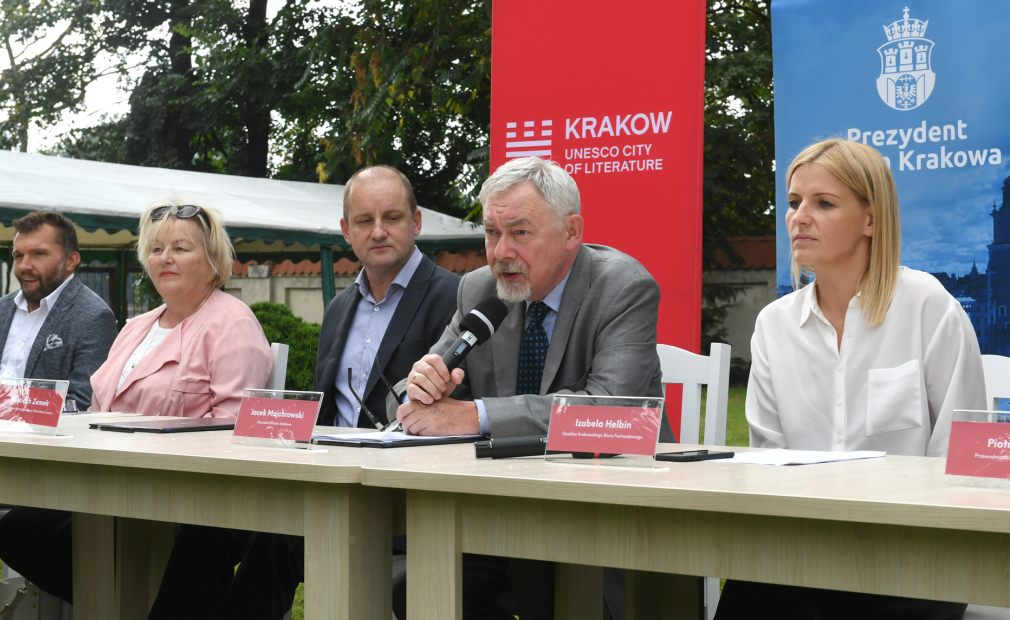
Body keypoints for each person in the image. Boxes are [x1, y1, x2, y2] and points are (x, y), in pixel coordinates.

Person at [146, 165, 460, 620]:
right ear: (345, 231)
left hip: (404, 497)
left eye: (391, 218)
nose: (377, 232)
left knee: (274, 539)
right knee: (211, 528)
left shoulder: (453, 296)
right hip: (328, 484)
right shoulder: (337, 309)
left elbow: (460, 413)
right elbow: (324, 412)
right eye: (363, 221)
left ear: (416, 222)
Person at [714, 139, 985, 620]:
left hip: (914, 557)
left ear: (871, 219)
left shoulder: (929, 306)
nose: (799, 216)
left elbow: (964, 458)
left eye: (824, 203)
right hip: (801, 554)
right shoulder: (774, 325)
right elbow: (767, 461)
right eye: (794, 202)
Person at [391, 156, 669, 620]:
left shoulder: (623, 286)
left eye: (520, 232)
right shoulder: (480, 289)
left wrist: (474, 414)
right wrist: (418, 390)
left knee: (543, 582)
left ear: (571, 231)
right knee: (418, 587)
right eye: (491, 233)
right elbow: (412, 397)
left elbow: (609, 413)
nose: (500, 252)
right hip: (502, 514)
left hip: (606, 516)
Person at [0, 198, 273, 604]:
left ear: (212, 259)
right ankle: (127, 601)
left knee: (79, 537)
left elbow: (235, 430)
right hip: (110, 484)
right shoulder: (138, 326)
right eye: (156, 249)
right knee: (19, 530)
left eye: (180, 248)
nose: (165, 258)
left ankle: (134, 600)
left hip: (184, 493)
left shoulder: (233, 323)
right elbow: (96, 409)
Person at [0, 211, 116, 410]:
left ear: (71, 261)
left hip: (38, 439)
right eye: (18, 255)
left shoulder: (93, 316)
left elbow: (83, 403)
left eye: (39, 254)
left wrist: (5, 409)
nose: (24, 266)